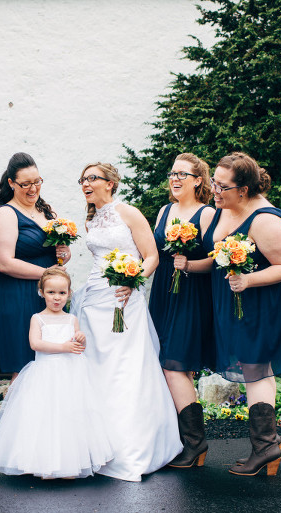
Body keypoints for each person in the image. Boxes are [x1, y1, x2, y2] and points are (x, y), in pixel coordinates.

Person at [70, 162, 182, 482]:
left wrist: (133, 281)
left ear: (111, 182)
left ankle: (131, 448)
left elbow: (152, 257)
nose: (85, 184)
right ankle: (97, 446)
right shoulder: (90, 219)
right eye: (82, 179)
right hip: (94, 300)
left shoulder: (129, 212)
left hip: (124, 298)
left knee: (125, 369)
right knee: (96, 369)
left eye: (92, 178)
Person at [202, 152, 281, 477]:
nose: (215, 191)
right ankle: (266, 446)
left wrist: (247, 279)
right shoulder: (231, 207)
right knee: (252, 368)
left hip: (260, 303)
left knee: (256, 369)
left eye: (222, 186)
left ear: (243, 189)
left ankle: (265, 447)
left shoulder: (264, 219)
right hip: (239, 302)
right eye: (213, 183)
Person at [0, 268, 113, 478]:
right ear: (41, 292)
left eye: (62, 293)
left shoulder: (71, 319)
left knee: (69, 416)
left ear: (69, 294)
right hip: (45, 373)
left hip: (71, 374)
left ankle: (69, 462)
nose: (57, 298)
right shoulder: (38, 318)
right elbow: (35, 344)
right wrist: (64, 347)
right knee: (45, 417)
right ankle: (43, 463)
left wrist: (81, 339)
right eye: (51, 292)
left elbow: (78, 344)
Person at [148, 153, 216, 469]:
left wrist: (189, 263)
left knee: (174, 365)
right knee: (172, 366)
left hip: (190, 294)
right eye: (172, 173)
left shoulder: (205, 214)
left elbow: (218, 260)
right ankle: (179, 442)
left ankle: (195, 442)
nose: (175, 179)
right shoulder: (164, 211)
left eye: (183, 174)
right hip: (163, 293)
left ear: (198, 180)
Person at [0, 152, 70, 379]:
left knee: (52, 361)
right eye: (25, 184)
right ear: (12, 183)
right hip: (18, 295)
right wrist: (48, 274)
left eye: (37, 182)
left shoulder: (45, 211)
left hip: (47, 294)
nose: (33, 189)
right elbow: (5, 263)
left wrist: (64, 254)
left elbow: (53, 253)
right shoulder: (6, 213)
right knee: (25, 364)